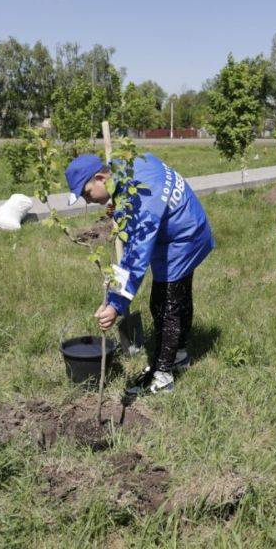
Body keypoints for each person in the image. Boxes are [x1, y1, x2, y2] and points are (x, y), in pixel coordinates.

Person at [64, 151, 214, 395]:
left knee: (165, 304)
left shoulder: (143, 203)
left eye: (87, 193)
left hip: (182, 238)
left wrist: (115, 305)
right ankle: (179, 354)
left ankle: (163, 375)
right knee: (179, 296)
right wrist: (118, 213)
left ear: (102, 178)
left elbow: (135, 259)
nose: (87, 200)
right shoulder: (128, 163)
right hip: (190, 225)